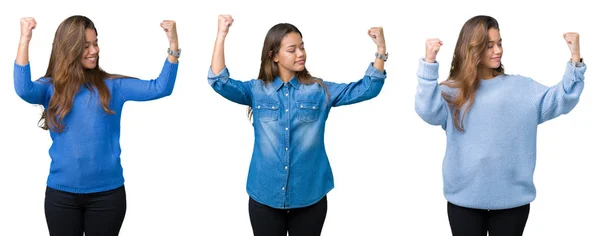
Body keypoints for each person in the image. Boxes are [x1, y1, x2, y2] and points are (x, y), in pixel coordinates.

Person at [208, 14, 387, 236]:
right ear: (274, 56)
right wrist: (221, 35)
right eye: (292, 50)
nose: (301, 53)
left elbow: (369, 88)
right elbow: (218, 81)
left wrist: (380, 49)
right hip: (264, 196)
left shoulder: (319, 90)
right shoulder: (256, 90)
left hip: (310, 197)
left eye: (302, 47)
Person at [414, 15, 585, 236]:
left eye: (499, 43)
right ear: (472, 49)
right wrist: (429, 64)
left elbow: (563, 98)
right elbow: (426, 110)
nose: (498, 51)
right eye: (489, 46)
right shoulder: (452, 92)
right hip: (463, 201)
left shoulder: (523, 89)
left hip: (512, 203)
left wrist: (575, 59)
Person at [14, 15, 180, 236]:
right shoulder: (50, 88)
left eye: (95, 43)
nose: (94, 50)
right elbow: (23, 89)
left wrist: (173, 46)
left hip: (107, 196)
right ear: (69, 49)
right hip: (61, 197)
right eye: (85, 46)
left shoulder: (113, 86)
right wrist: (25, 39)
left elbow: (160, 88)